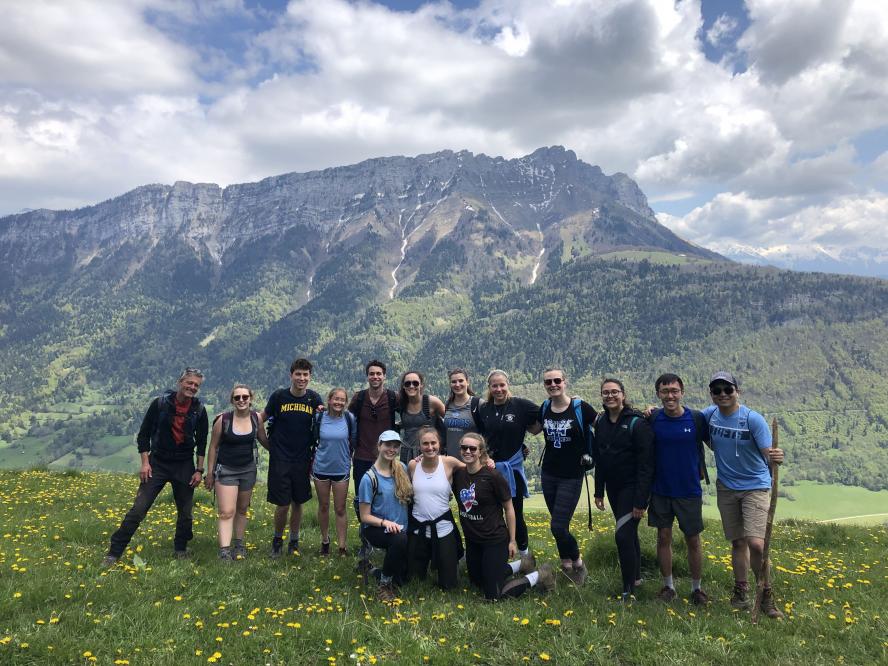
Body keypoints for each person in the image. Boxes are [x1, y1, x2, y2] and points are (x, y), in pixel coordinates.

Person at [103, 368, 209, 565]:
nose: (192, 387)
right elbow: (144, 435)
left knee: (185, 513)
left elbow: (202, 441)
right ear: (180, 382)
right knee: (139, 509)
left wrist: (199, 470)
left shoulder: (199, 410)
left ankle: (181, 548)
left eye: (196, 385)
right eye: (189, 383)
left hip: (184, 464)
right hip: (158, 462)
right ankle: (114, 552)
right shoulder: (160, 404)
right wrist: (145, 463)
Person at [703, 371, 784, 618]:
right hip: (726, 487)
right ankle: (741, 592)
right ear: (712, 395)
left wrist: (776, 457)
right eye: (717, 390)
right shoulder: (709, 415)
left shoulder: (753, 419)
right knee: (738, 541)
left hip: (755, 486)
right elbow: (689, 420)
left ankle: (765, 592)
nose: (723, 394)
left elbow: (768, 454)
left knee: (756, 543)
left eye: (728, 389)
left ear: (737, 391)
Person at [451, 432, 556, 600]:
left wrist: (512, 540)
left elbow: (509, 508)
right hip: (473, 541)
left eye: (473, 448)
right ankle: (522, 564)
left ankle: (540, 575)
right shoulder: (458, 475)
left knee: (493, 595)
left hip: (494, 539)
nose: (468, 451)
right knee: (477, 582)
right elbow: (437, 462)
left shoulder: (493, 477)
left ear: (481, 452)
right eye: (464, 448)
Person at [646, 373, 710, 604]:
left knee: (693, 539)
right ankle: (668, 587)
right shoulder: (653, 418)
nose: (670, 395)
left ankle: (697, 588)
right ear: (658, 394)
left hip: (689, 490)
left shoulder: (696, 419)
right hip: (660, 489)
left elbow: (716, 444)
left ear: (682, 392)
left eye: (674, 390)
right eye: (665, 391)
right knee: (663, 537)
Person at [592, 378, 655, 601]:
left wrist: (641, 501)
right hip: (613, 488)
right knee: (628, 534)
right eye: (605, 393)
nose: (610, 396)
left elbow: (647, 465)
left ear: (623, 395)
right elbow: (599, 457)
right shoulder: (600, 422)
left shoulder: (637, 423)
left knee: (622, 535)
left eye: (614, 392)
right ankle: (636, 578)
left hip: (633, 487)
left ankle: (628, 589)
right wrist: (598, 491)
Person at [538, 367, 597, 585]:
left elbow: (606, 425)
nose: (552, 385)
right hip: (549, 473)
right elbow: (532, 428)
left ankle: (579, 564)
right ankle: (566, 565)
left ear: (565, 382)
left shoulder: (580, 407)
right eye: (548, 382)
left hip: (572, 475)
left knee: (558, 526)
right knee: (559, 524)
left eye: (556, 380)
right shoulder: (544, 407)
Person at [260, 358, 323, 557]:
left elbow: (324, 422)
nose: (302, 378)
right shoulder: (279, 397)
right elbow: (257, 420)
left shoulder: (314, 399)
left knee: (298, 502)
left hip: (303, 459)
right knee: (282, 504)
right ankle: (277, 541)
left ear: (310, 377)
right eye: (298, 374)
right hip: (281, 460)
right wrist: (269, 446)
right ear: (291, 375)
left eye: (305, 375)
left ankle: (294, 541)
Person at [475, 369, 541, 557]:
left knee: (515, 513)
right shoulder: (484, 409)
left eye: (502, 385)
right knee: (491, 511)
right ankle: (495, 550)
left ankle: (524, 554)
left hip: (512, 469)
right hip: (489, 467)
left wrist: (531, 432)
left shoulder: (519, 405)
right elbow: (482, 436)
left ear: (508, 385)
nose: (498, 389)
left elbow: (545, 414)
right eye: (494, 385)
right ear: (489, 387)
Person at [204, 383, 269, 560]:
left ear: (250, 399)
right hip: (225, 470)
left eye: (245, 397)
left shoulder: (256, 419)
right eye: (237, 397)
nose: (241, 400)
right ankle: (224, 551)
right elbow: (213, 447)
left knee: (241, 509)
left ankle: (239, 545)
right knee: (226, 511)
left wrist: (283, 453)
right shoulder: (223, 420)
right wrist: (209, 473)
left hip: (248, 470)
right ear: (232, 400)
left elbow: (263, 439)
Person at [348, 360, 399, 561]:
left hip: (388, 457)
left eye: (379, 373)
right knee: (362, 500)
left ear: (384, 376)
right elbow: (343, 416)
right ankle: (366, 541)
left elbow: (415, 407)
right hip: (362, 456)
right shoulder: (359, 398)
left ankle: (388, 536)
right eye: (372, 373)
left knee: (390, 497)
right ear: (367, 376)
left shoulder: (394, 398)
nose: (375, 377)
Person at [358, 430, 413, 601]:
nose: (392, 449)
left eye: (396, 446)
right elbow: (364, 516)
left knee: (404, 579)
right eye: (388, 445)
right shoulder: (369, 478)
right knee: (399, 539)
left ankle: (372, 570)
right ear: (379, 446)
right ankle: (384, 585)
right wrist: (385, 523)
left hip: (401, 528)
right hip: (376, 528)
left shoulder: (402, 469)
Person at [407, 427, 465, 590]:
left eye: (433, 443)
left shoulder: (449, 462)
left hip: (443, 527)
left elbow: (472, 468)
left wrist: (487, 461)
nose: (430, 447)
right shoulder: (413, 465)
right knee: (413, 580)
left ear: (439, 444)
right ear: (419, 446)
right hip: (418, 527)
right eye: (425, 444)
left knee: (449, 584)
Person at [311, 387, 356, 556]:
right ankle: (325, 541)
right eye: (335, 399)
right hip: (321, 467)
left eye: (342, 400)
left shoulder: (349, 419)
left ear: (345, 403)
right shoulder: (318, 418)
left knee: (340, 508)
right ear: (329, 400)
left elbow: (354, 439)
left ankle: (342, 546)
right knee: (323, 506)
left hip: (341, 469)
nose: (338, 402)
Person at [396, 370, 445, 464]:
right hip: (407, 453)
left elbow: (450, 422)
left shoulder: (432, 402)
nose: (411, 386)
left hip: (429, 452)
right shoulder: (401, 403)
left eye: (415, 383)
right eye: (407, 383)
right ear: (403, 386)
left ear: (421, 385)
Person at [442, 368, 482, 457]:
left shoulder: (477, 404)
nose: (457, 384)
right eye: (453, 382)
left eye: (461, 381)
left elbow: (487, 433)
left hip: (472, 461)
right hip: (451, 462)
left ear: (467, 382)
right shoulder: (448, 404)